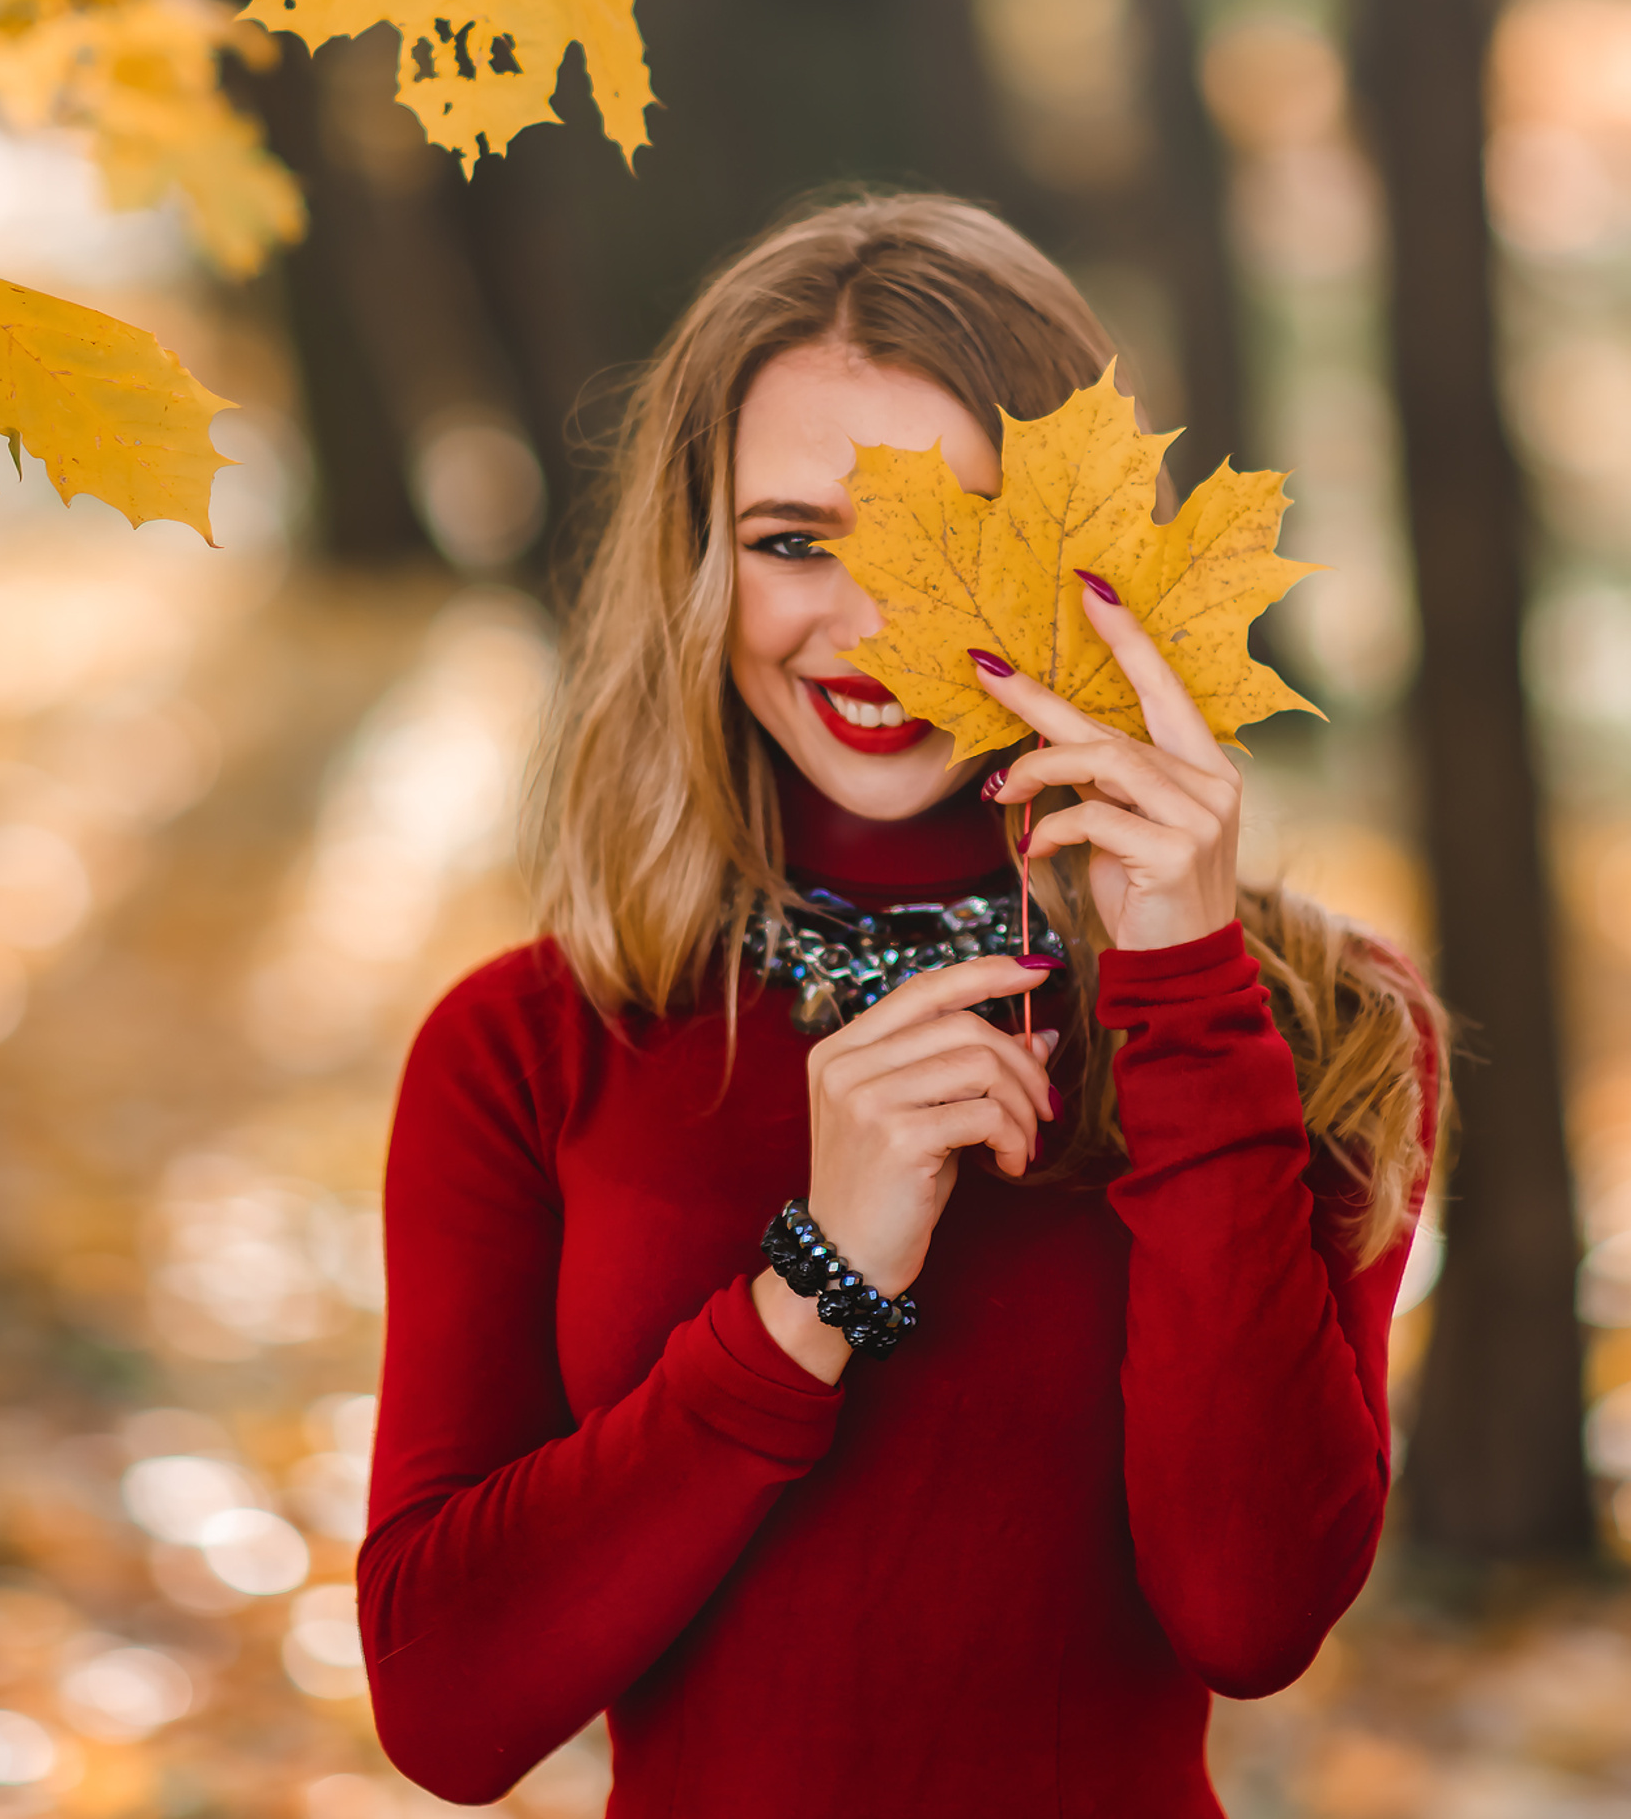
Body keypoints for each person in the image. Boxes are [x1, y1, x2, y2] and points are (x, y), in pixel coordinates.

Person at [355, 193, 1446, 1816]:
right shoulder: (530, 1047)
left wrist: (1185, 993)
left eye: (954, 545)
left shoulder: (1312, 1024)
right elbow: (447, 1706)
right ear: (698, 562)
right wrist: (815, 1289)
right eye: (795, 541)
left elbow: (1253, 1613)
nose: (871, 629)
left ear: (1089, 568)